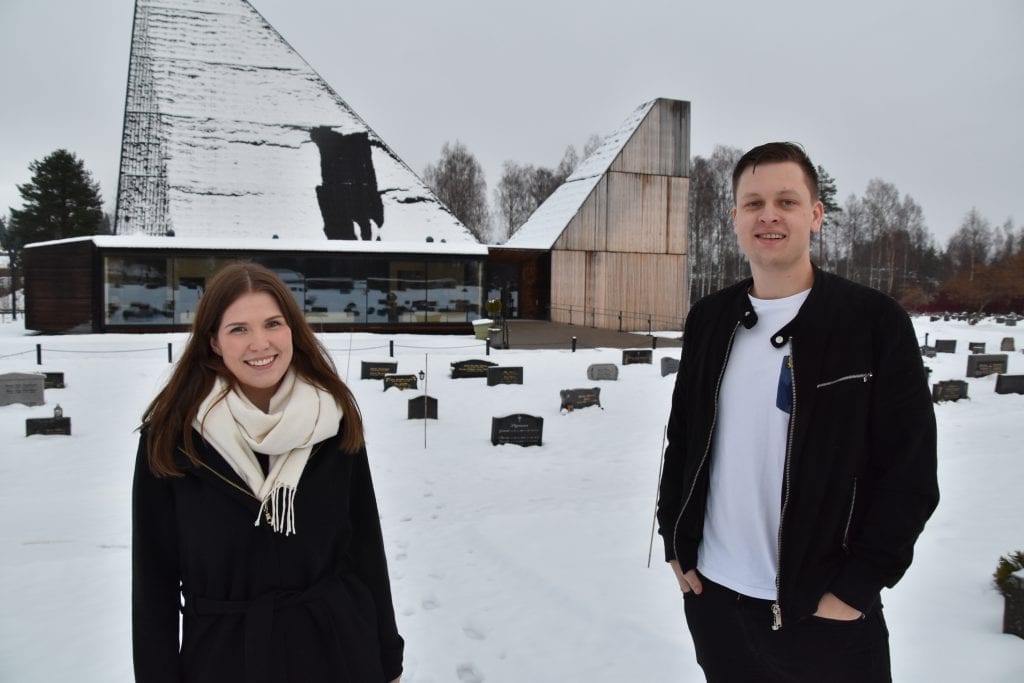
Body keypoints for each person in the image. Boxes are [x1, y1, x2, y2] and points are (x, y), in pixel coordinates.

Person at [656, 142, 939, 682]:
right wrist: (676, 539)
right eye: (753, 202)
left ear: (815, 215)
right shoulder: (710, 319)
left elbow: (910, 471)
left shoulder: (872, 323)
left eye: (787, 201)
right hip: (715, 603)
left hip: (824, 615)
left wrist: (856, 588)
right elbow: (684, 439)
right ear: (735, 217)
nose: (769, 215)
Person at [132, 262, 403, 683]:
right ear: (214, 342)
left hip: (337, 651)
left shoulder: (333, 420)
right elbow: (154, 581)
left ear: (292, 330)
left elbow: (366, 547)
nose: (260, 343)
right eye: (238, 329)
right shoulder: (172, 437)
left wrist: (388, 660)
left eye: (273, 324)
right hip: (224, 658)